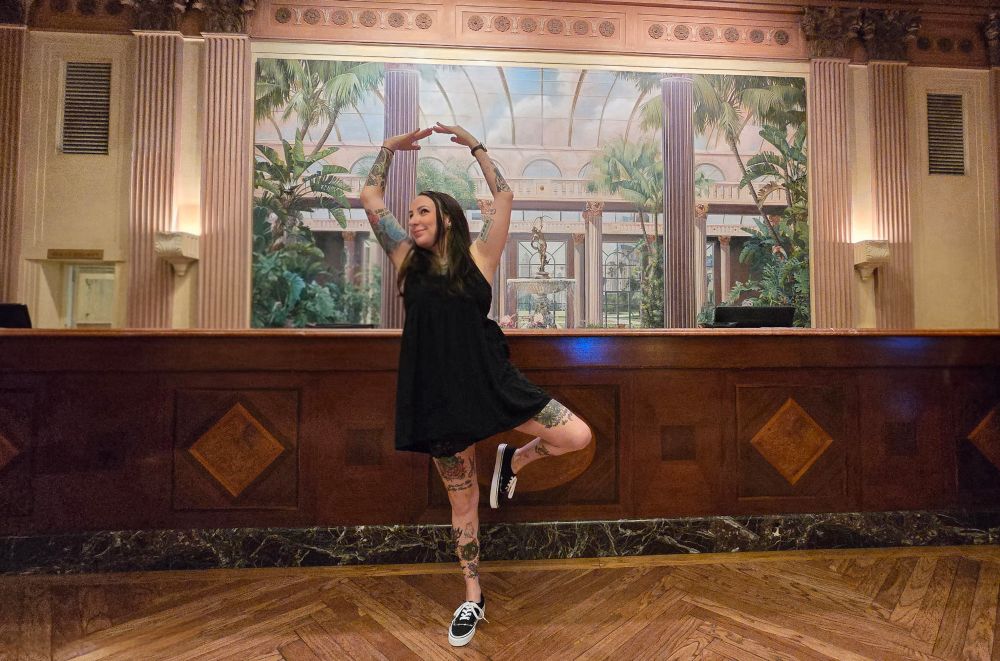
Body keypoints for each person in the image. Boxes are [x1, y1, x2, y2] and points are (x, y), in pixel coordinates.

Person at [360, 123, 593, 647]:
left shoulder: (482, 258)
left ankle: (514, 461)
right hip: (438, 398)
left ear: (445, 218)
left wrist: (476, 147)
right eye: (411, 212)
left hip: (490, 381)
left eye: (422, 210)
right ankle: (473, 597)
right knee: (462, 505)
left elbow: (505, 195)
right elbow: (371, 195)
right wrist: (389, 150)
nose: (413, 219)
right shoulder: (405, 259)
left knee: (575, 436)